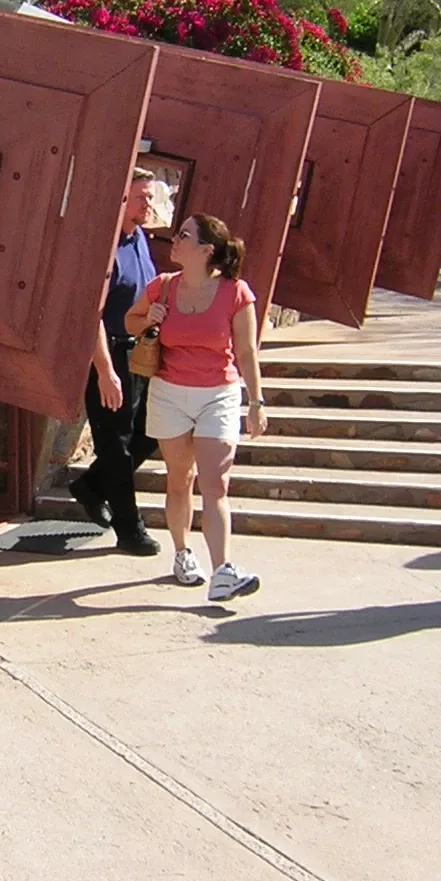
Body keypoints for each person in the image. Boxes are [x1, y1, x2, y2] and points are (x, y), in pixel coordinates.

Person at [125, 212, 265, 601]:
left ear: (205, 250)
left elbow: (247, 352)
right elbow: (128, 321)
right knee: (179, 479)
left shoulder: (236, 292)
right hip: (170, 392)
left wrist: (256, 401)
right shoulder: (163, 287)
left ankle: (223, 570)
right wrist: (147, 318)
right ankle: (183, 554)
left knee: (215, 483)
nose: (175, 238)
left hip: (218, 393)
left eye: (184, 235)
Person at [67, 168, 163, 555]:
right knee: (116, 445)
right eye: (142, 197)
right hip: (108, 357)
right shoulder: (101, 247)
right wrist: (105, 371)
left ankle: (91, 486)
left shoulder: (138, 237)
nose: (148, 204)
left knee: (152, 431)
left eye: (151, 197)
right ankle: (130, 529)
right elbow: (91, 313)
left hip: (141, 353)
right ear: (121, 199)